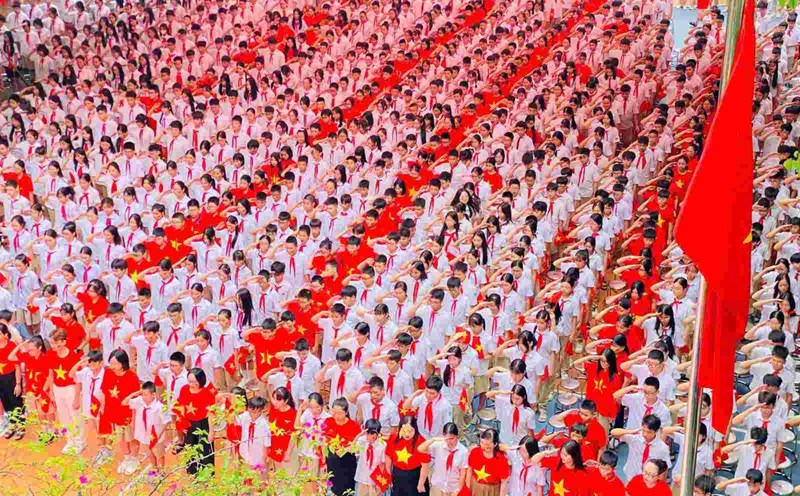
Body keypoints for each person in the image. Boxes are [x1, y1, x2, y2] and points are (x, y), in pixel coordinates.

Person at [175, 368, 216, 476]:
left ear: (201, 381)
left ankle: (206, 475)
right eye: (190, 381)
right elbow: (181, 407)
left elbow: (211, 414)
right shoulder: (184, 389)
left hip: (203, 424)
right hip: (189, 424)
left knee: (205, 450)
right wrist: (182, 424)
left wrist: (211, 432)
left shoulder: (207, 393)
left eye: (194, 382)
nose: (191, 384)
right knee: (190, 448)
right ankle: (192, 473)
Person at [385, 415, 431, 496]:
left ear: (415, 429)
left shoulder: (421, 442)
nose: (407, 434)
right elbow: (388, 456)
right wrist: (388, 475)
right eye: (404, 431)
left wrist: (421, 483)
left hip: (415, 476)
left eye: (410, 431)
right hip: (398, 475)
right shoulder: (393, 438)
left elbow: (425, 465)